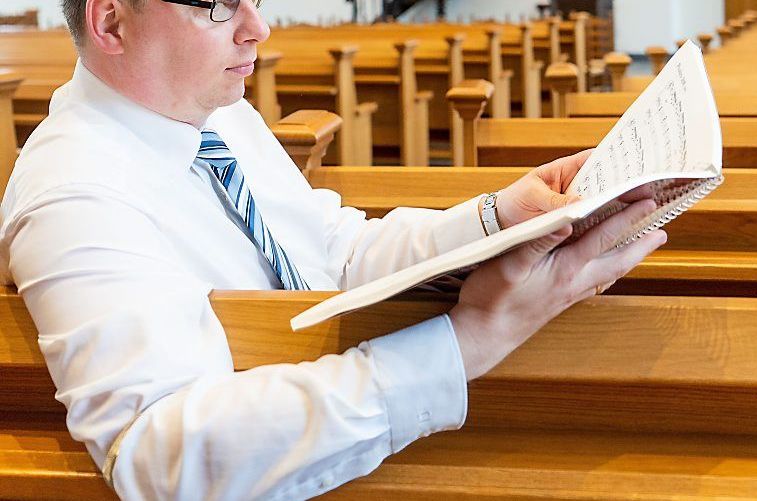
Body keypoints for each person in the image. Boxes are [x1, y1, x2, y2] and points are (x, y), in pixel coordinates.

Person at [0, 0, 666, 499]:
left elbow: (334, 252)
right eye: (216, 6)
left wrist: (497, 217)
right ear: (112, 23)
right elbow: (157, 450)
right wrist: (470, 341)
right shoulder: (75, 192)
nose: (256, 27)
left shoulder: (218, 114)